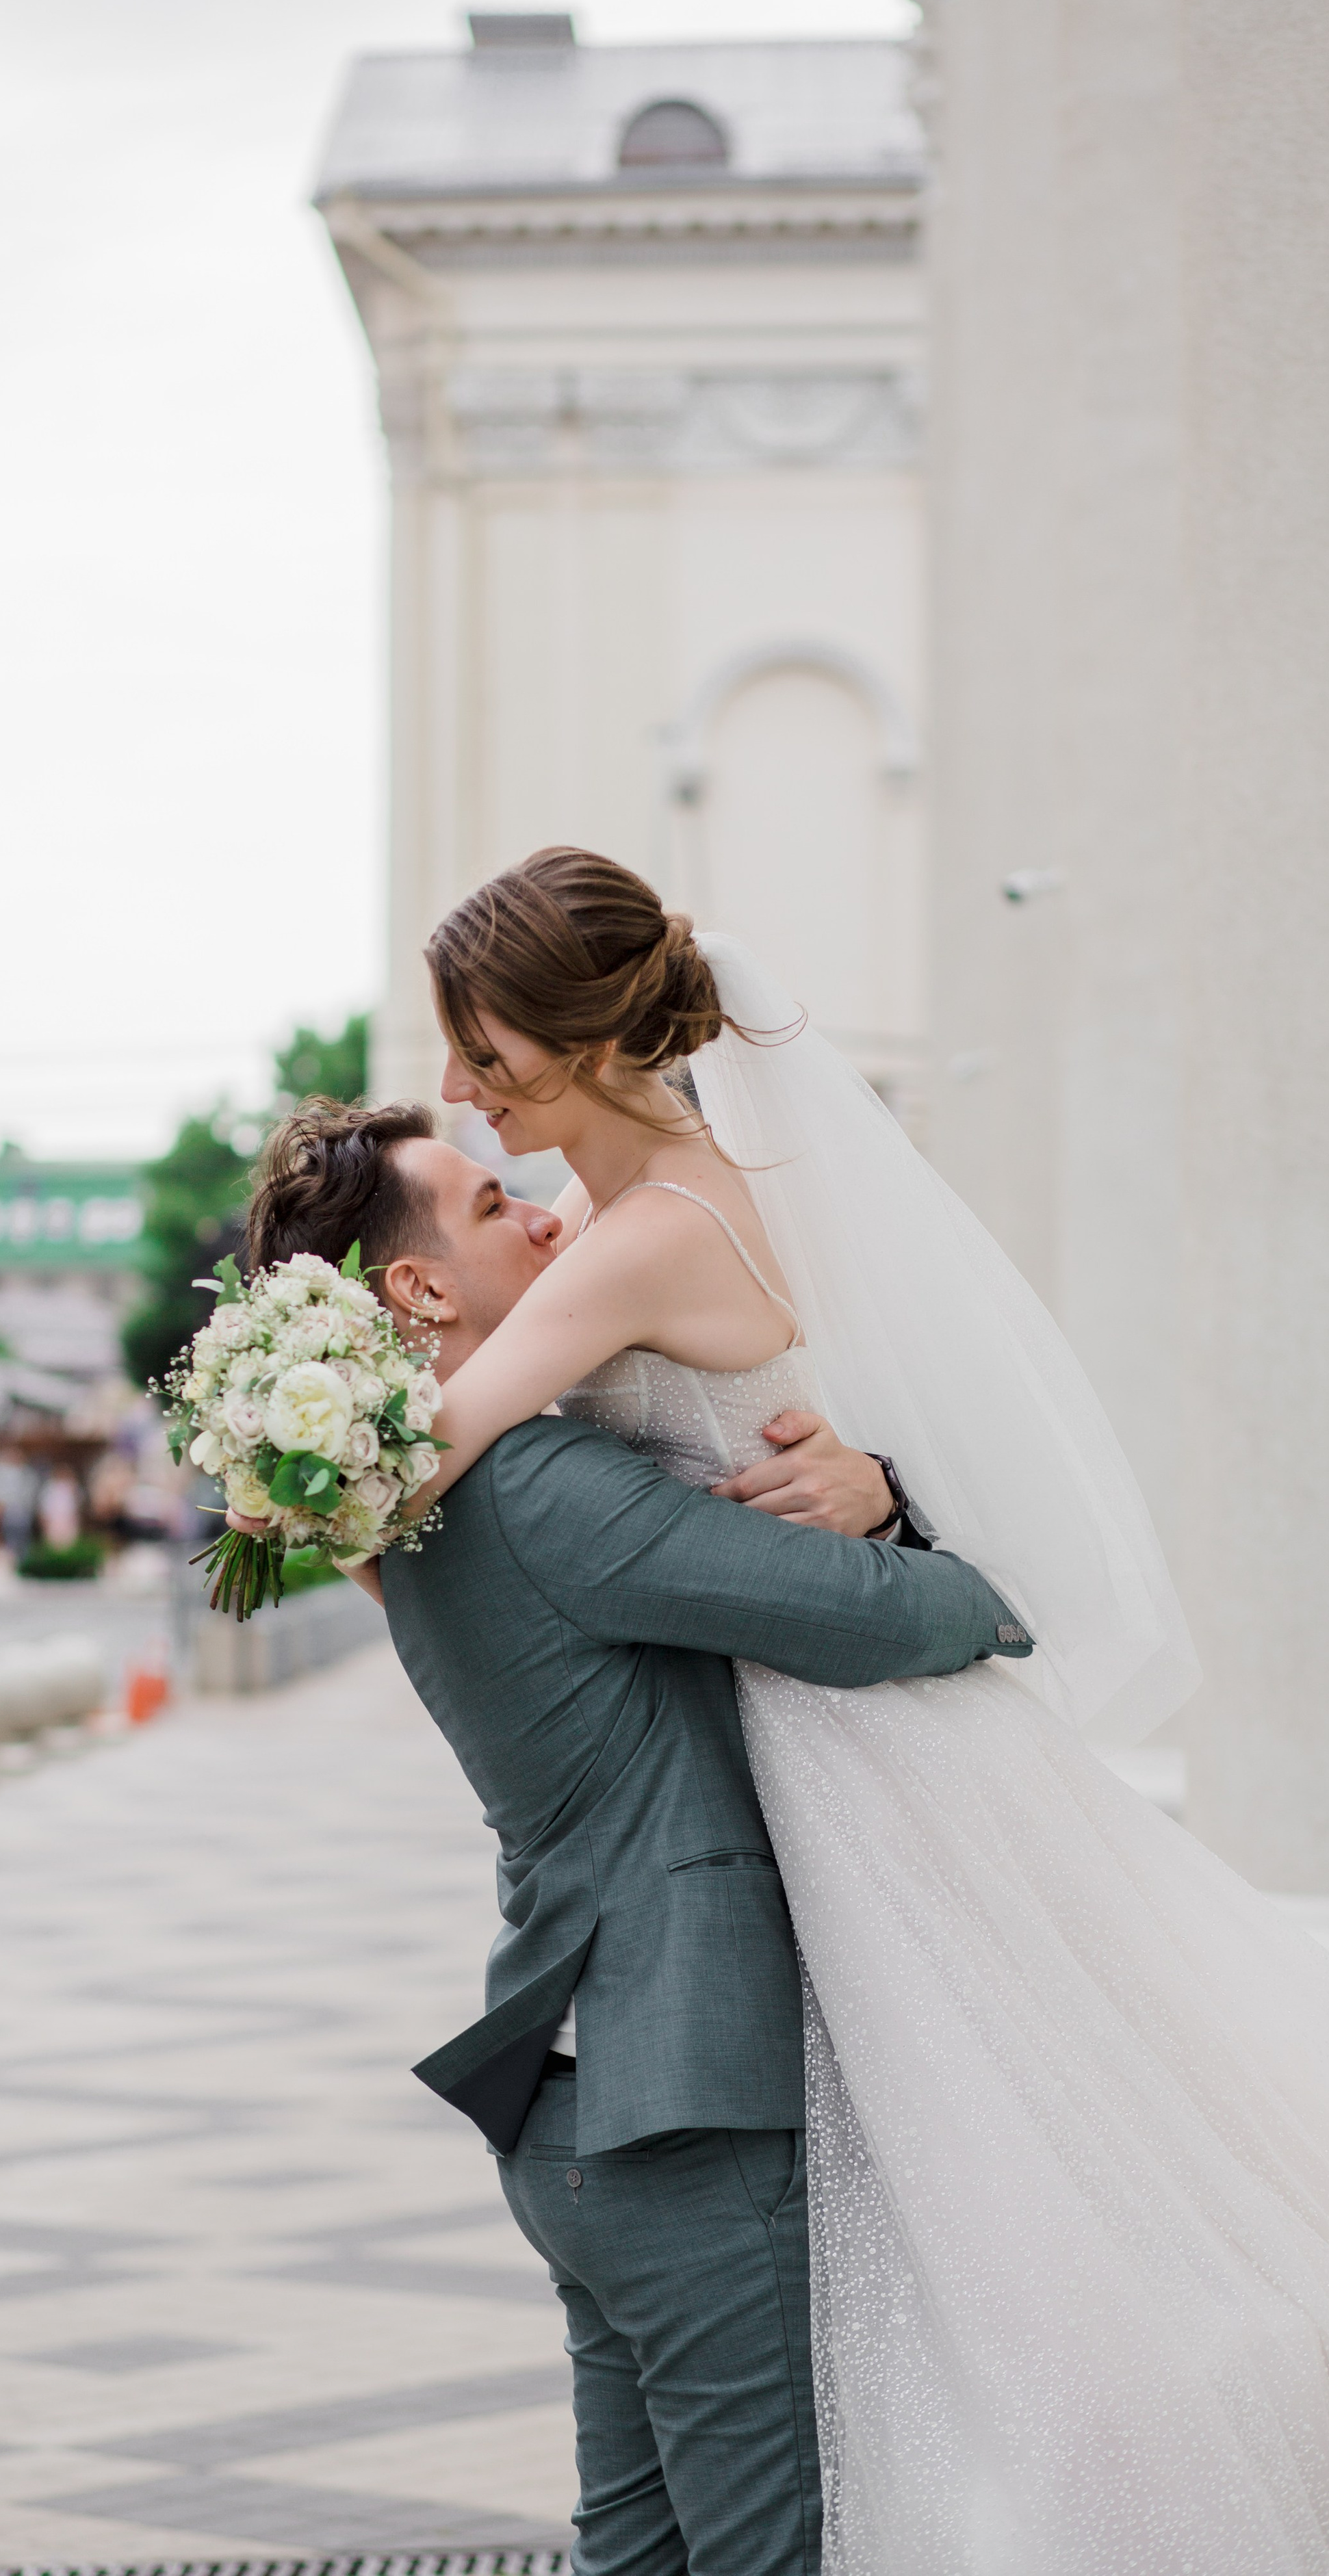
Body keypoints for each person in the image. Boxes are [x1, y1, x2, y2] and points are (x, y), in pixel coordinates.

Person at [258, 849, 1329, 2574]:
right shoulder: (623, 1227)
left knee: (1013, 2230)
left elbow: (426, 1453)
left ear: (579, 1041)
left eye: (480, 1052)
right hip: (758, 1822)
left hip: (807, 1774)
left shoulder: (625, 1245)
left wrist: (291, 1464)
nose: (459, 1087)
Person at [244, 1096, 1029, 2576]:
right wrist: (915, 1526)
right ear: (415, 1292)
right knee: (760, 2553)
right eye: (491, 1208)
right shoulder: (535, 1486)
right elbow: (888, 1622)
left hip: (573, 2107)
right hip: (673, 2109)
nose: (548, 1214)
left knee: (637, 2549)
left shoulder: (411, 1513)